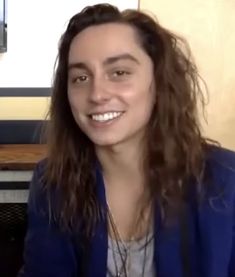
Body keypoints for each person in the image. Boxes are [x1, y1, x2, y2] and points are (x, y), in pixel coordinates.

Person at [19, 3, 235, 277]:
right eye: (80, 77)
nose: (97, 94)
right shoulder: (53, 183)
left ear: (158, 82)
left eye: (119, 73)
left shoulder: (226, 179)